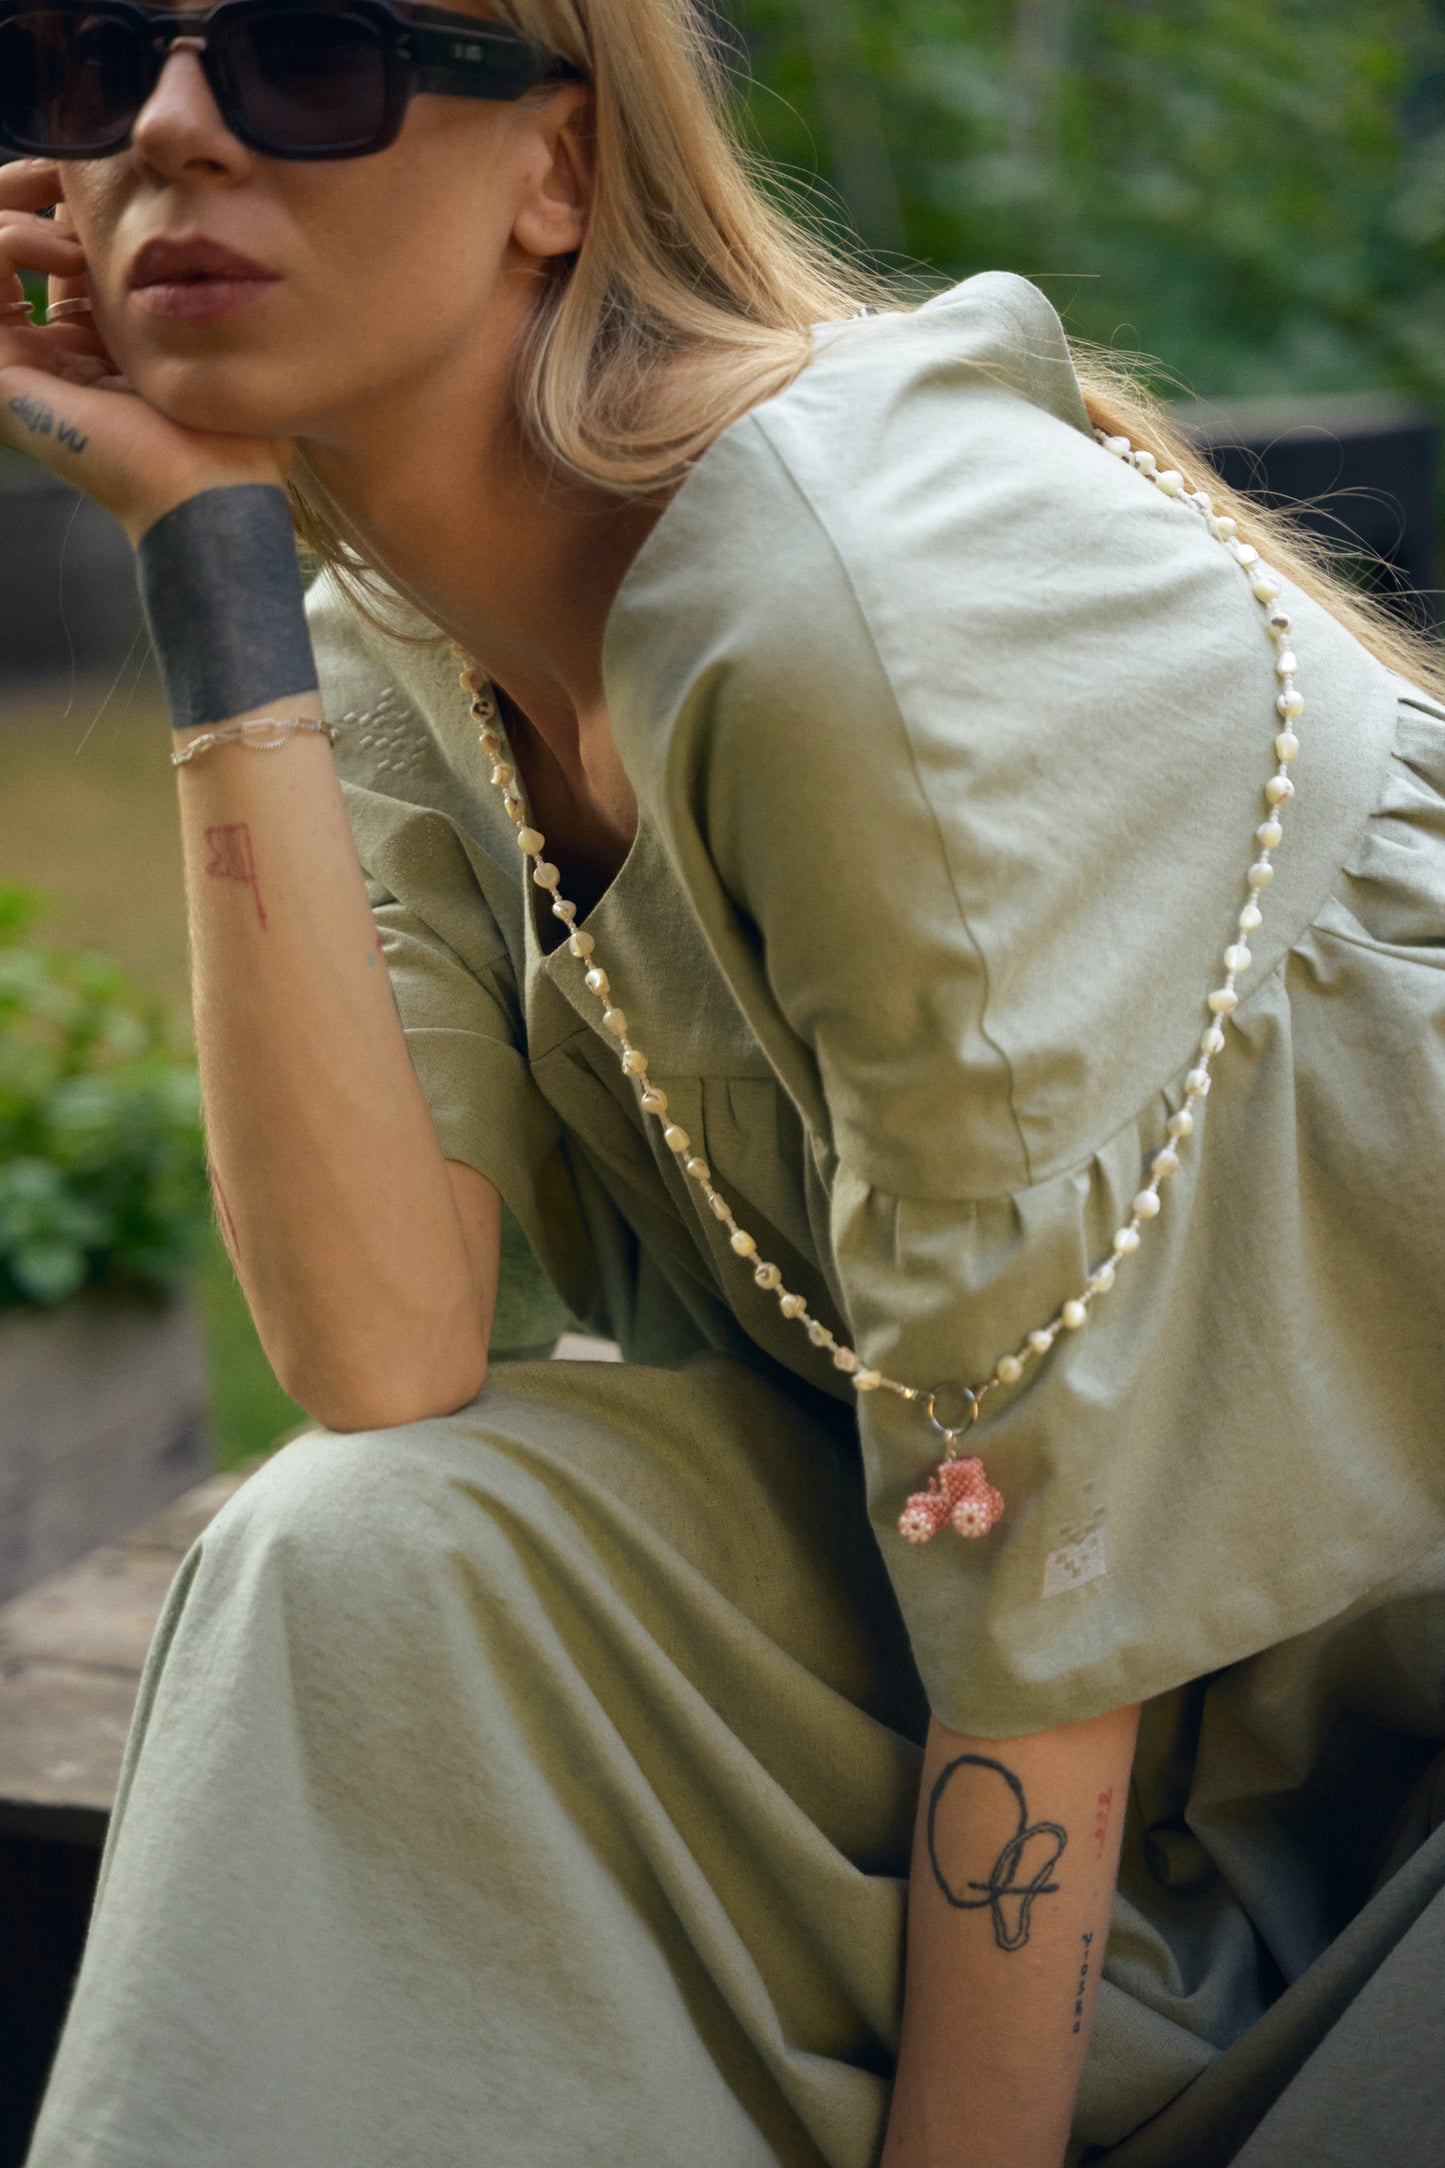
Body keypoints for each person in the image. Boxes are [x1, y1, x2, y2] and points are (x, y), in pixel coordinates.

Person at [3, 2, 1442, 2162]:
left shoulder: (854, 600)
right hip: (1094, 1695)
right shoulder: (419, 629)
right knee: (364, 1553)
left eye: (311, 57)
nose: (177, 133)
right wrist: (205, 559)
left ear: (560, 171)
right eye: (97, 58)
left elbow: (1040, 1563)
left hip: (1352, 1755)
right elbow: (386, 1350)